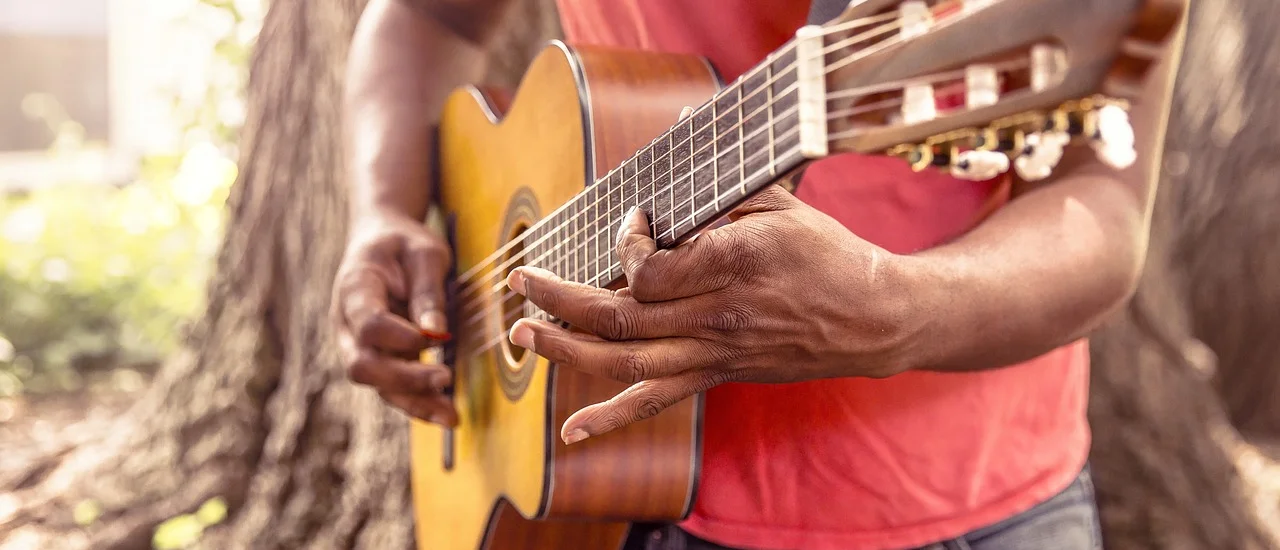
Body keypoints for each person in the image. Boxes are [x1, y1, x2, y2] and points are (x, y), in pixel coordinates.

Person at [331, 1, 1187, 549]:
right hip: (599, 494)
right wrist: (384, 212)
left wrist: (897, 312)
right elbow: (430, 18)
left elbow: (1100, 208)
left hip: (976, 505)